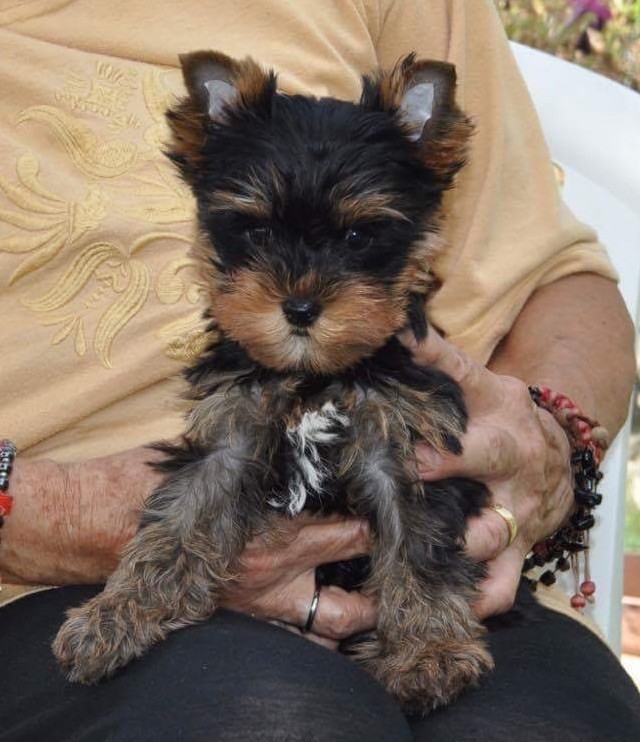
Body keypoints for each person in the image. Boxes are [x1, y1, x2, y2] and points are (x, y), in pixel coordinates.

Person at [1, 0, 639, 739]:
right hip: (43, 591)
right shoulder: (232, 384)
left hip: (460, 596)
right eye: (254, 234)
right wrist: (43, 512)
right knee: (282, 720)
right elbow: (210, 478)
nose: (302, 293)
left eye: (361, 240)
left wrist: (544, 442)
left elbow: (559, 280)